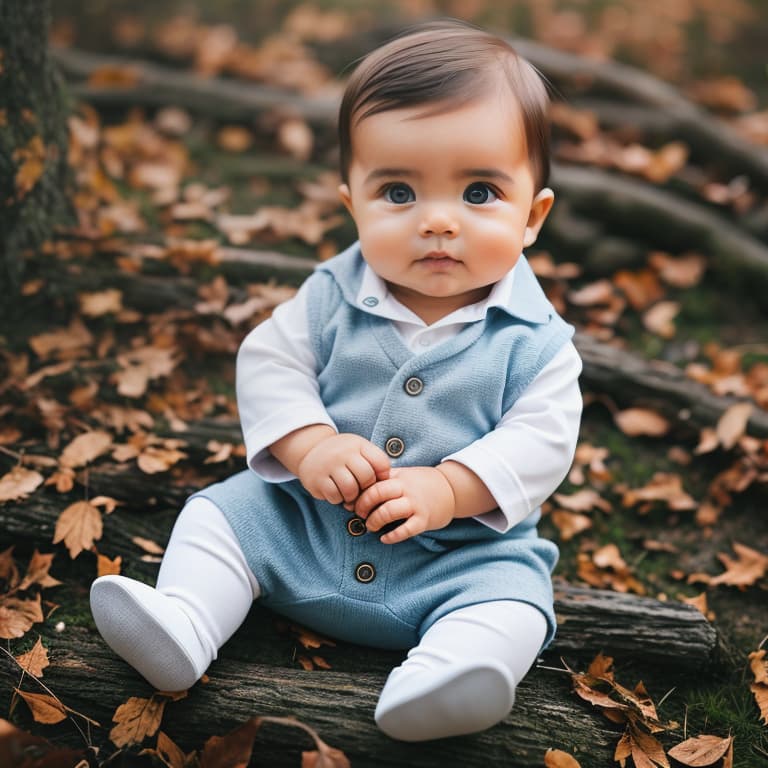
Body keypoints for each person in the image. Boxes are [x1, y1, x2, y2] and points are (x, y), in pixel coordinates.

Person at [90, 18, 582, 742]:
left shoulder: (540, 345)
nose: (439, 221)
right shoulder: (328, 297)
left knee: (514, 600)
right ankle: (187, 623)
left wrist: (450, 488)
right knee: (223, 515)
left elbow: (541, 441)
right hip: (307, 528)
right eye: (399, 192)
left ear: (532, 215)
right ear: (352, 204)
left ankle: (447, 676)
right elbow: (270, 363)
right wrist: (310, 444)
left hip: (454, 559)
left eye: (479, 193)